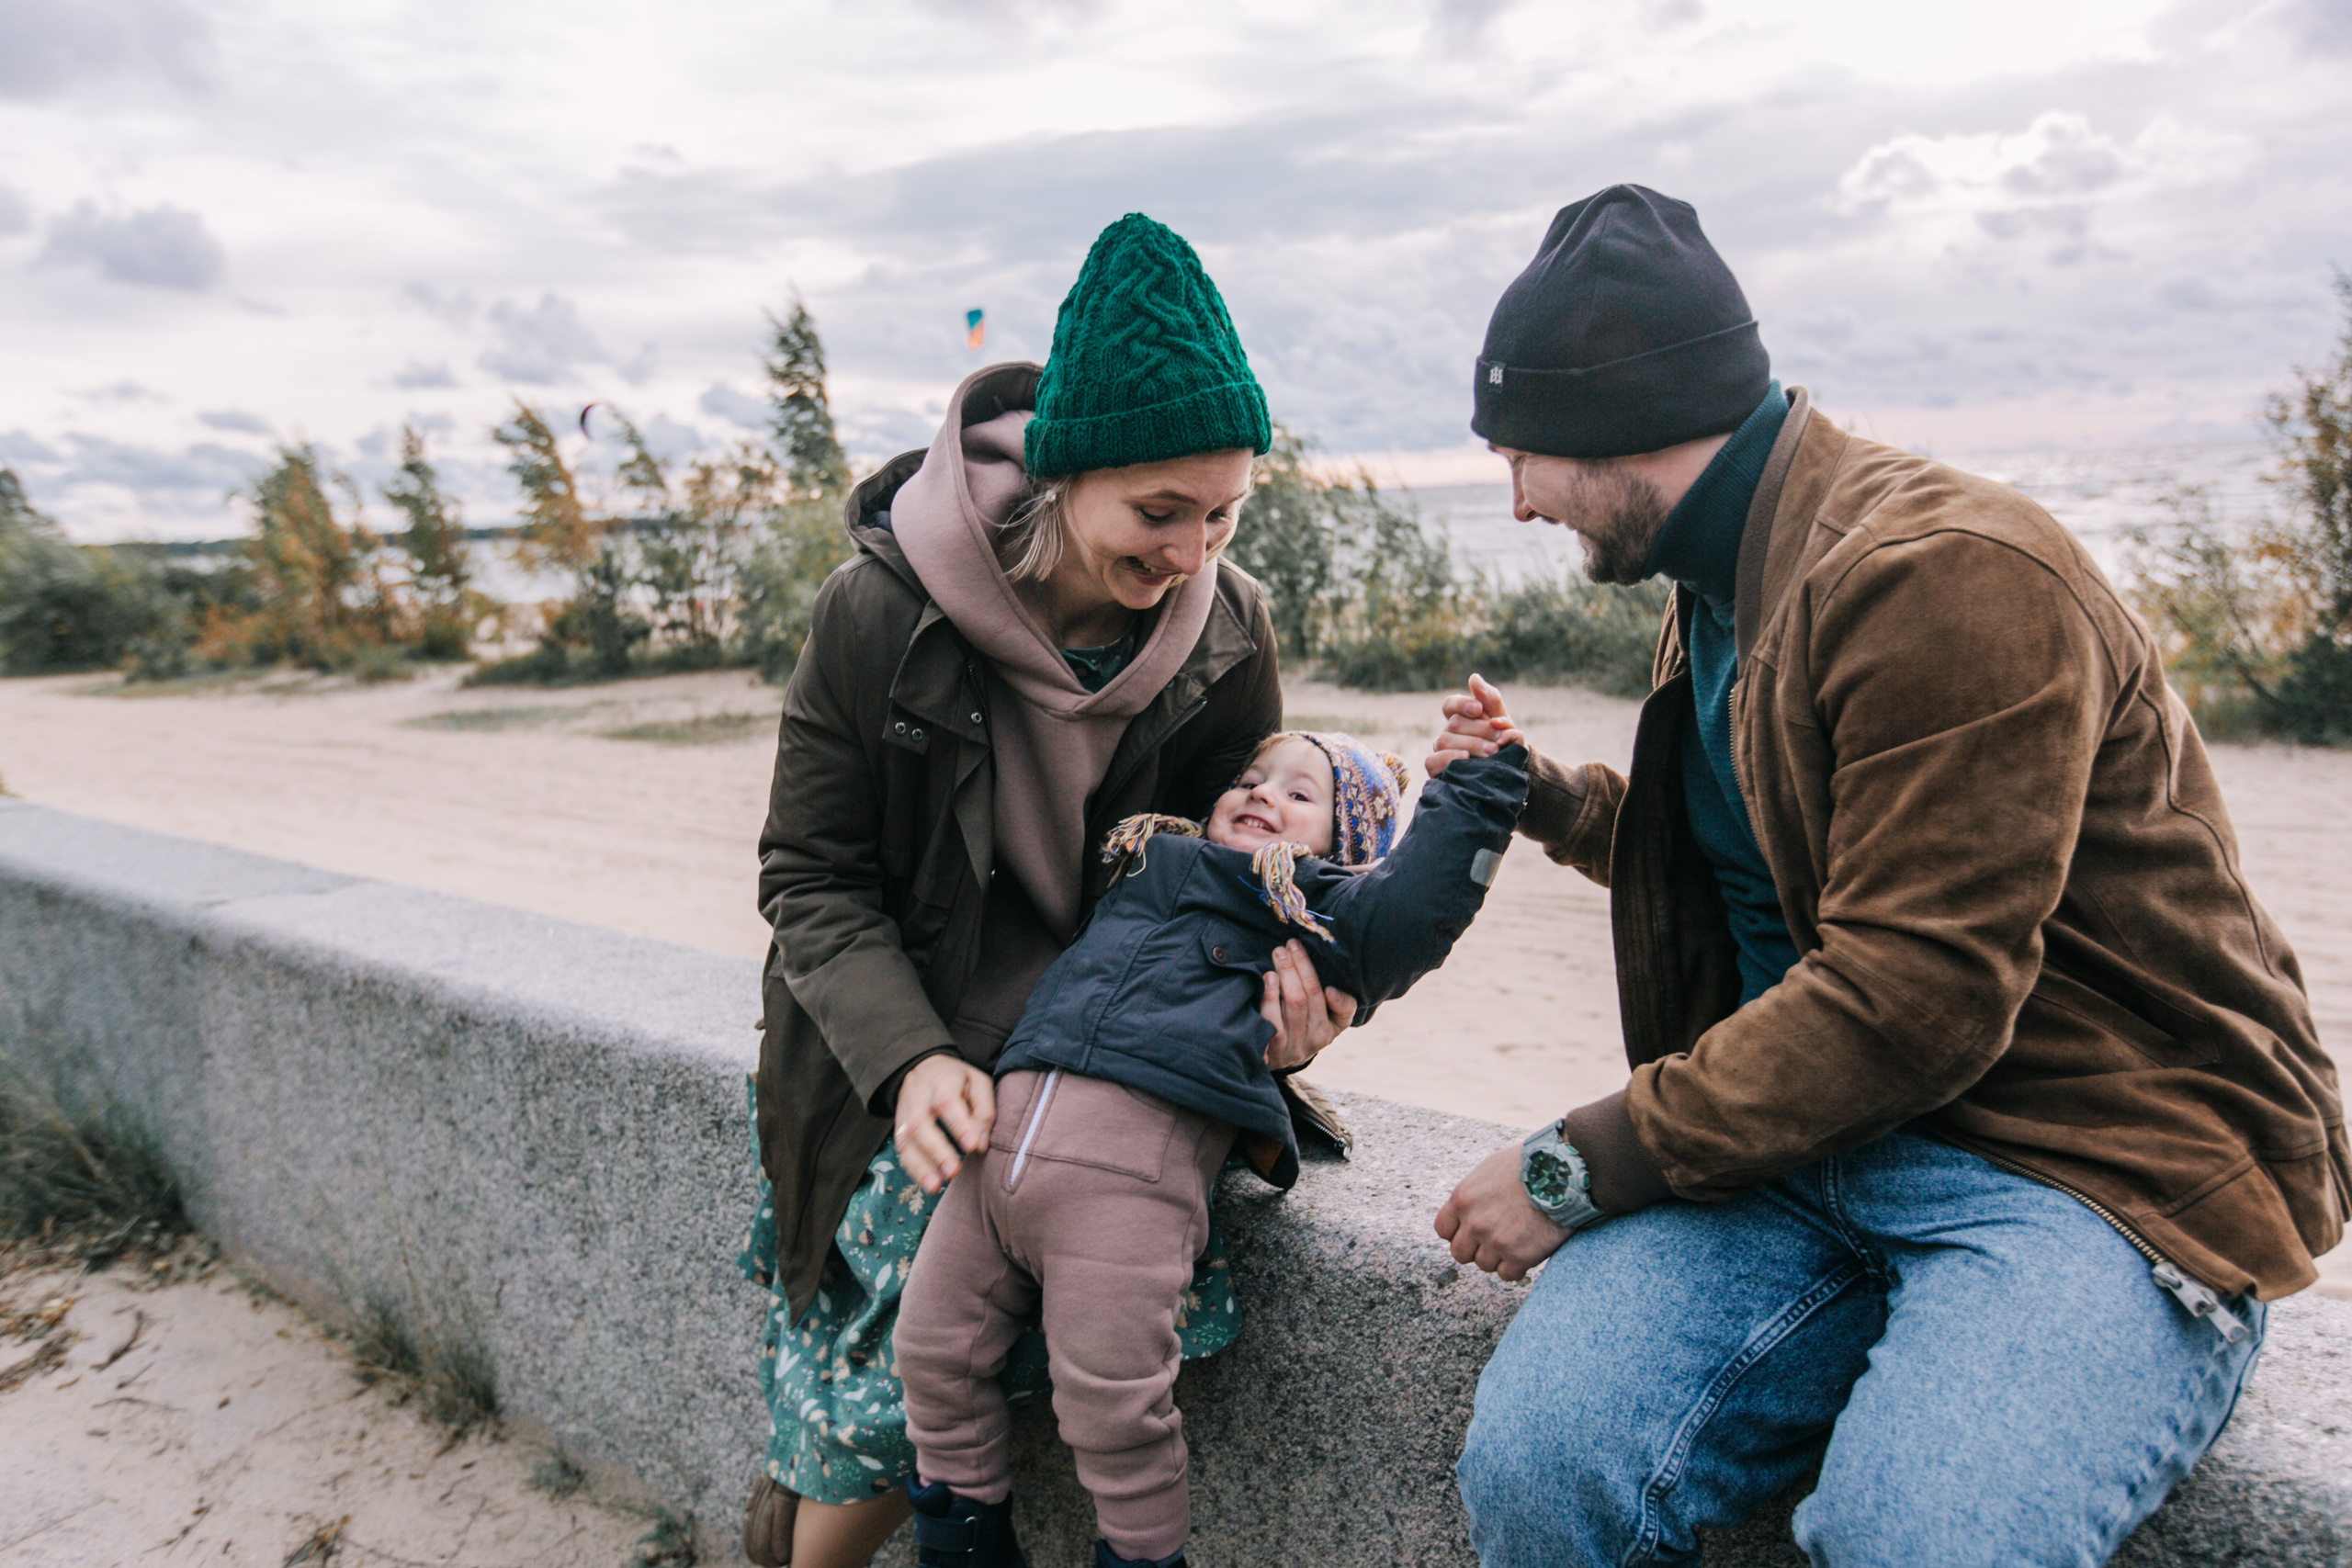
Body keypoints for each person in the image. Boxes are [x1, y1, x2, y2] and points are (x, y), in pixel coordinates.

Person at [1427, 184, 2346, 1567]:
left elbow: (1915, 989)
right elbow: (1785, 859)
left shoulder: (1943, 576)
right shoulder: (1729, 565)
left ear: (1616, 420)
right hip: (1813, 1139)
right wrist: (1550, 798)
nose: (1514, 504)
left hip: (2088, 1157)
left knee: (1916, 1536)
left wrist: (1577, 1165)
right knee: (1543, 1459)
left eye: (1522, 459)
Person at [739, 212, 1357, 1568]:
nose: (1196, 550)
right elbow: (812, 877)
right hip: (892, 1041)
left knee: (1112, 1320)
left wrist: (1295, 1001)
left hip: (1103, 1055)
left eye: (1227, 511)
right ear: (1070, 476)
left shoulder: (1228, 630)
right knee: (884, 1393)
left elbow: (1232, 880)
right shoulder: (875, 612)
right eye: (1160, 511)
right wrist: (908, 1061)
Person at [894, 728, 1528, 1568]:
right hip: (988, 1163)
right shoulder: (1148, 862)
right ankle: (961, 1544)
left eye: (1303, 795)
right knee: (931, 1353)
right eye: (1252, 777)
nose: (1264, 793)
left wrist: (1479, 785)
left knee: (1111, 1408)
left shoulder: (1306, 908)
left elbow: (1417, 907)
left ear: (1343, 853)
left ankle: (1143, 1557)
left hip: (1121, 1199)